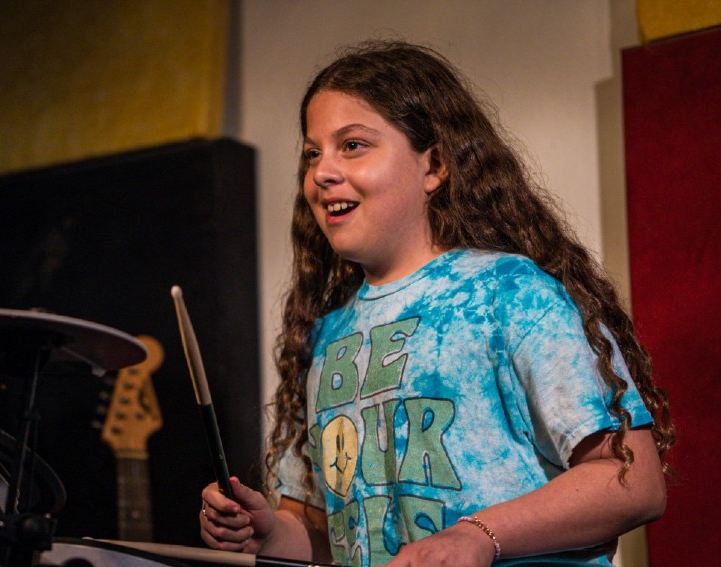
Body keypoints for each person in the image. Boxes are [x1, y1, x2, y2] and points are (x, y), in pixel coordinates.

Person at [198, 40, 674, 567]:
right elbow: (329, 535)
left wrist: (477, 535)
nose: (321, 172)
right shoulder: (327, 335)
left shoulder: (506, 292)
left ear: (435, 165)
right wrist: (266, 532)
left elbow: (633, 481)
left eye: (352, 145)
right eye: (313, 153)